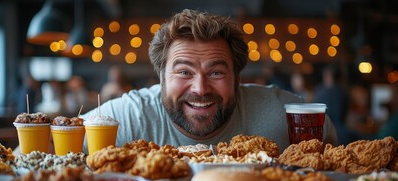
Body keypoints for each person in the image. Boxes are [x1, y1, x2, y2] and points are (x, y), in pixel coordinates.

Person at [81, 9, 337, 152]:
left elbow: (336, 160)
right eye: (184, 72)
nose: (200, 89)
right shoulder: (129, 116)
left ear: (237, 77)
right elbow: (55, 139)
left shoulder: (283, 113)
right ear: (161, 78)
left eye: (216, 72)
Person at [314, 65, 351, 145]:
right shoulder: (344, 92)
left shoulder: (321, 92)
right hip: (343, 133)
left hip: (326, 133)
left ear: (329, 76)